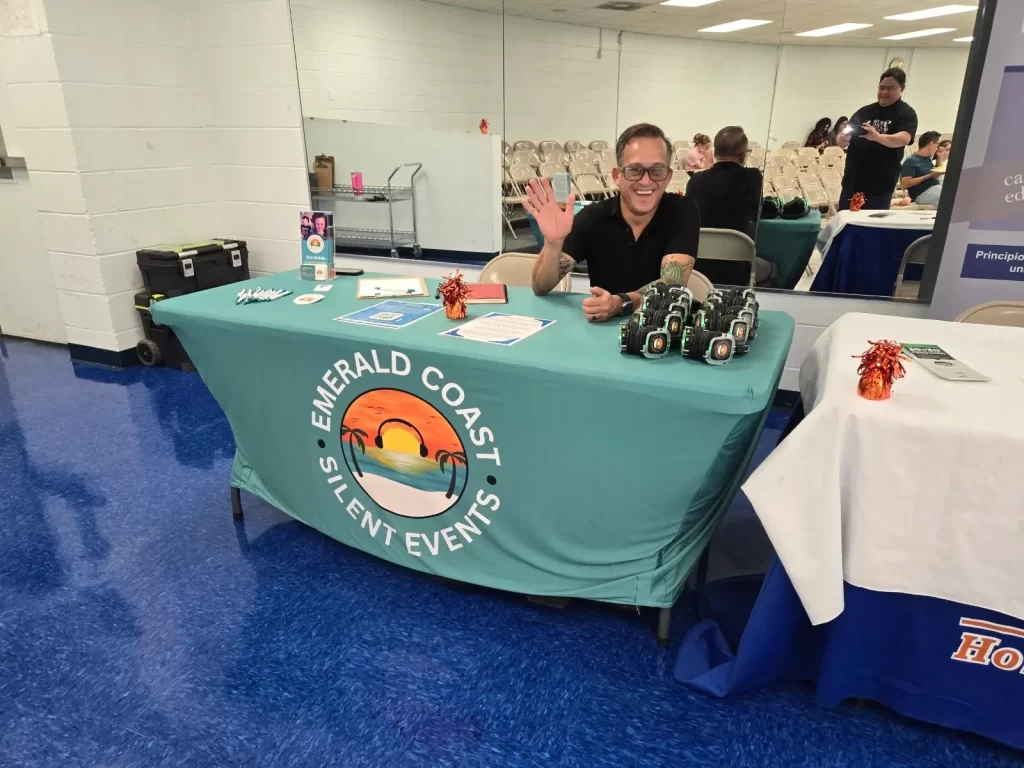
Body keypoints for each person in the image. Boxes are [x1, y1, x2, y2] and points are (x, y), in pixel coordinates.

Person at [527, 123, 699, 323]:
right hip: (601, 332)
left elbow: (672, 285)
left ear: (668, 176)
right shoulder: (593, 217)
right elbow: (540, 286)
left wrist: (621, 303)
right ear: (617, 176)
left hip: (660, 328)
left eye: (657, 170)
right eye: (635, 170)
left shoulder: (682, 210)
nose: (646, 181)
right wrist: (553, 244)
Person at [686, 126, 774, 287]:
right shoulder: (752, 177)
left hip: (698, 269)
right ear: (743, 155)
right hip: (735, 270)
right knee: (773, 268)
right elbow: (756, 214)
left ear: (715, 153)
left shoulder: (695, 180)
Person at [836, 68, 918, 210]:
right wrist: (841, 139)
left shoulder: (906, 113)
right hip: (853, 182)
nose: (884, 92)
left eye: (890, 88)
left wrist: (877, 137)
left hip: (879, 187)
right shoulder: (864, 111)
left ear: (902, 88)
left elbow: (904, 138)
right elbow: (843, 135)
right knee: (846, 224)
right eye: (882, 87)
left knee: (871, 226)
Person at [900, 131, 943, 206]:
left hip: (934, 188)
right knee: (950, 198)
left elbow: (936, 175)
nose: (937, 148)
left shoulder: (927, 159)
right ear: (931, 144)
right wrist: (929, 176)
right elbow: (905, 183)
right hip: (922, 194)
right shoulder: (911, 161)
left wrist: (939, 157)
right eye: (937, 145)